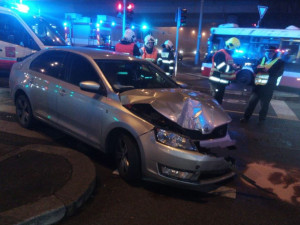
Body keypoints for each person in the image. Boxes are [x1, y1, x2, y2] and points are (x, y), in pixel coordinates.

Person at [240, 46, 285, 124]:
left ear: (275, 53)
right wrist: (260, 69)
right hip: (258, 86)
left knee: (264, 105)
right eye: (267, 51)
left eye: (271, 52)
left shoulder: (280, 62)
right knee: (251, 103)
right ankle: (246, 117)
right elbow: (254, 68)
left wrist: (267, 70)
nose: (269, 53)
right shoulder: (261, 59)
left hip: (268, 87)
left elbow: (278, 73)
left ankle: (262, 120)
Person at [209, 37, 241, 104]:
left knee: (218, 102)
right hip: (217, 82)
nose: (235, 50)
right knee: (215, 102)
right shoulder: (221, 54)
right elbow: (221, 67)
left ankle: (215, 114)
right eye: (235, 48)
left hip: (221, 82)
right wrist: (233, 68)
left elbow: (227, 65)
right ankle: (213, 114)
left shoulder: (227, 54)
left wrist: (235, 66)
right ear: (231, 46)